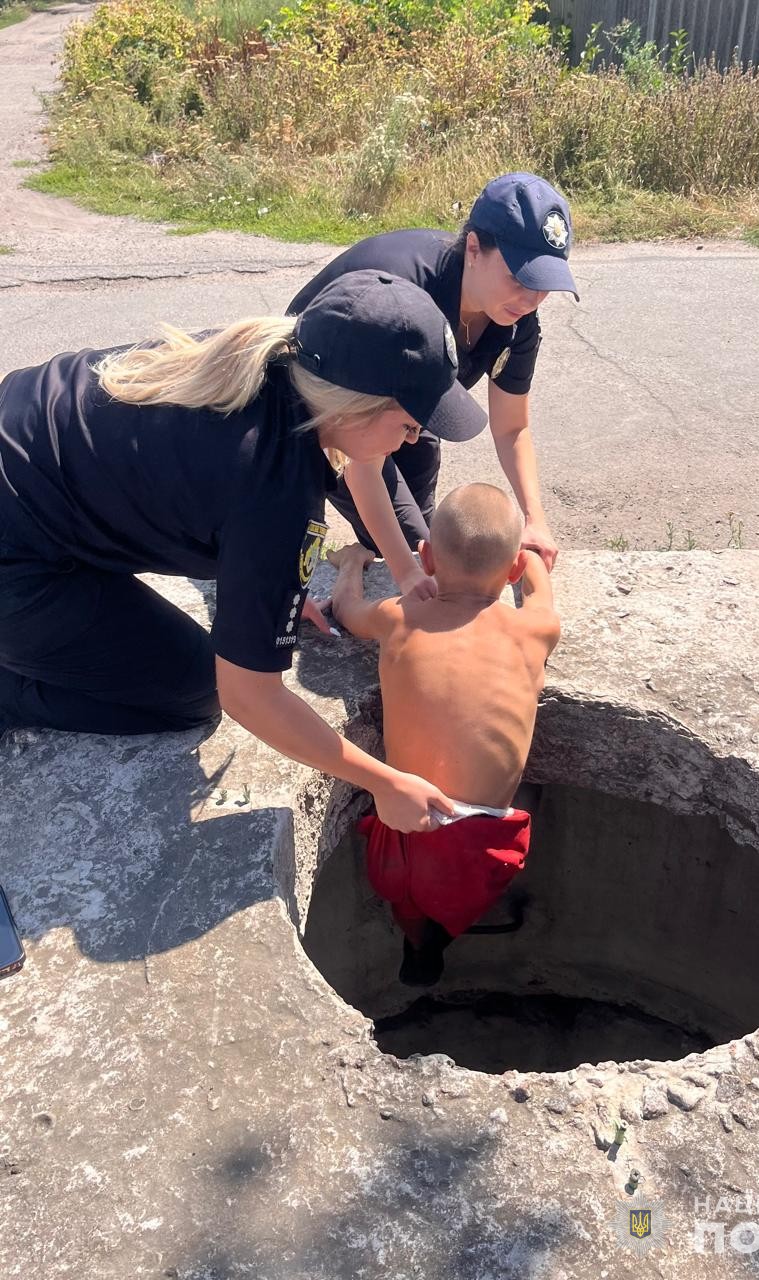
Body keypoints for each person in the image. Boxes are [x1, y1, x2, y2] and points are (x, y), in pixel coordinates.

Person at [0, 271, 489, 833]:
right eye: (407, 425)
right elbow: (248, 697)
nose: (410, 442)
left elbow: (253, 493)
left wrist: (269, 593)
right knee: (193, 691)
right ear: (352, 407)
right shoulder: (273, 487)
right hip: (18, 558)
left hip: (25, 448)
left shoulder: (270, 360)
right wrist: (383, 781)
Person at [288, 172, 578, 630]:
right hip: (331, 404)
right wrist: (405, 572)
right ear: (474, 248)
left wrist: (534, 519)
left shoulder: (518, 321)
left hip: (411, 407)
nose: (531, 298)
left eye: (544, 283)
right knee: (416, 557)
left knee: (420, 544)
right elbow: (361, 458)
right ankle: (327, 568)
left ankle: (362, 551)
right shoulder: (407, 299)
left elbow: (511, 427)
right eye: (520, 278)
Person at [327, 483, 561, 984]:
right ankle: (436, 944)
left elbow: (346, 609)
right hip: (481, 848)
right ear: (513, 568)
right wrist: (532, 552)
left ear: (427, 558)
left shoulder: (399, 617)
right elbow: (540, 591)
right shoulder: (533, 631)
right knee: (466, 892)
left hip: (401, 828)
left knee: (407, 901)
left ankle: (415, 944)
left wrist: (351, 563)